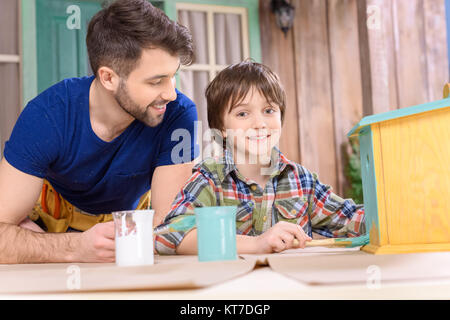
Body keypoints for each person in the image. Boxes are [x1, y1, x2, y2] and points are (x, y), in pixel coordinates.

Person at [0, 0, 198, 263]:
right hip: (50, 232)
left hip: (131, 235)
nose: (171, 93)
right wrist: (71, 247)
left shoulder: (178, 114)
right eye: (156, 81)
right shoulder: (47, 115)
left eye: (173, 75)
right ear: (108, 78)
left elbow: (169, 230)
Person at [155, 60, 366, 255]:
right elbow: (169, 236)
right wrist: (256, 244)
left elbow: (352, 220)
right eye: (243, 114)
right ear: (222, 128)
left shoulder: (301, 181)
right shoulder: (209, 179)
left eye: (268, 110)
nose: (259, 123)